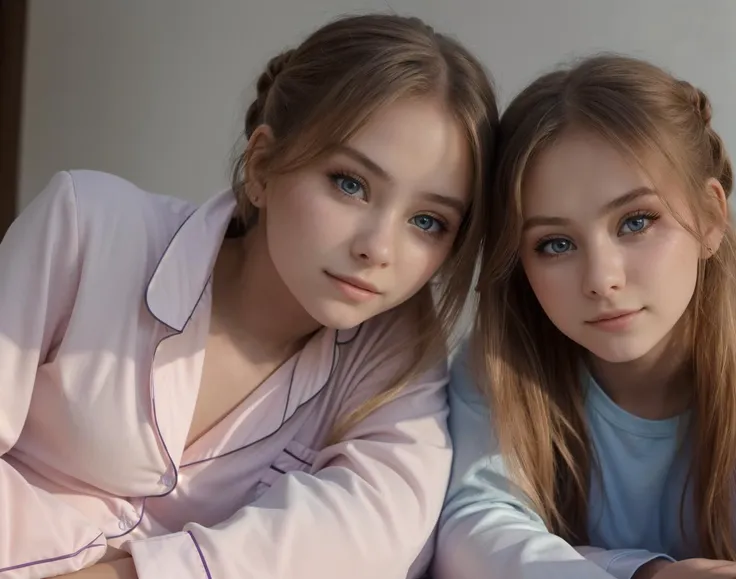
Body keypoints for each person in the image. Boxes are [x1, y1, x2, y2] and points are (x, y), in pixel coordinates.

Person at [0, 13, 498, 579]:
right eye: (351, 183)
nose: (379, 248)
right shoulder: (89, 228)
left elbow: (376, 538)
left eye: (428, 221)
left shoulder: (394, 352)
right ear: (262, 166)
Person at [434, 54, 736, 579]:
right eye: (555, 243)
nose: (601, 278)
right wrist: (646, 574)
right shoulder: (501, 361)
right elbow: (474, 532)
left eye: (636, 221)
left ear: (710, 217)